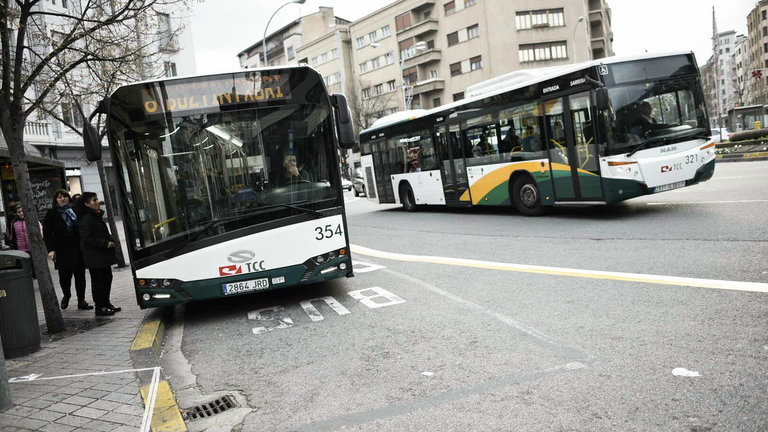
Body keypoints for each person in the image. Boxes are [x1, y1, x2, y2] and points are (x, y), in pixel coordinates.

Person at [44, 189, 92, 310]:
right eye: (60, 197)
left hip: (77, 248)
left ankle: (81, 300)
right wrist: (51, 250)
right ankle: (67, 295)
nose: (63, 199)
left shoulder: (75, 210)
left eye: (65, 196)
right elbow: (47, 233)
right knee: (64, 277)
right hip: (62, 250)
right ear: (56, 200)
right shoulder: (52, 214)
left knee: (80, 276)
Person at [77, 192, 120, 316]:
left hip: (102, 255)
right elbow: (87, 238)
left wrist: (109, 239)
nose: (97, 202)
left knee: (107, 279)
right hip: (95, 257)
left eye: (97, 199)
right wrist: (105, 243)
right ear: (86, 204)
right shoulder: (87, 218)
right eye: (94, 200)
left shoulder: (96, 216)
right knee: (98, 282)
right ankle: (99, 307)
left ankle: (106, 303)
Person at [8, 204, 43, 278]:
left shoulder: (32, 219)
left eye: (22, 211)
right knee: (24, 264)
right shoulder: (14, 222)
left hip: (32, 246)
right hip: (21, 247)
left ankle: (36, 276)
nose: (21, 213)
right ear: (16, 213)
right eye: (19, 212)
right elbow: (12, 235)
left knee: (34, 263)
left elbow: (40, 230)